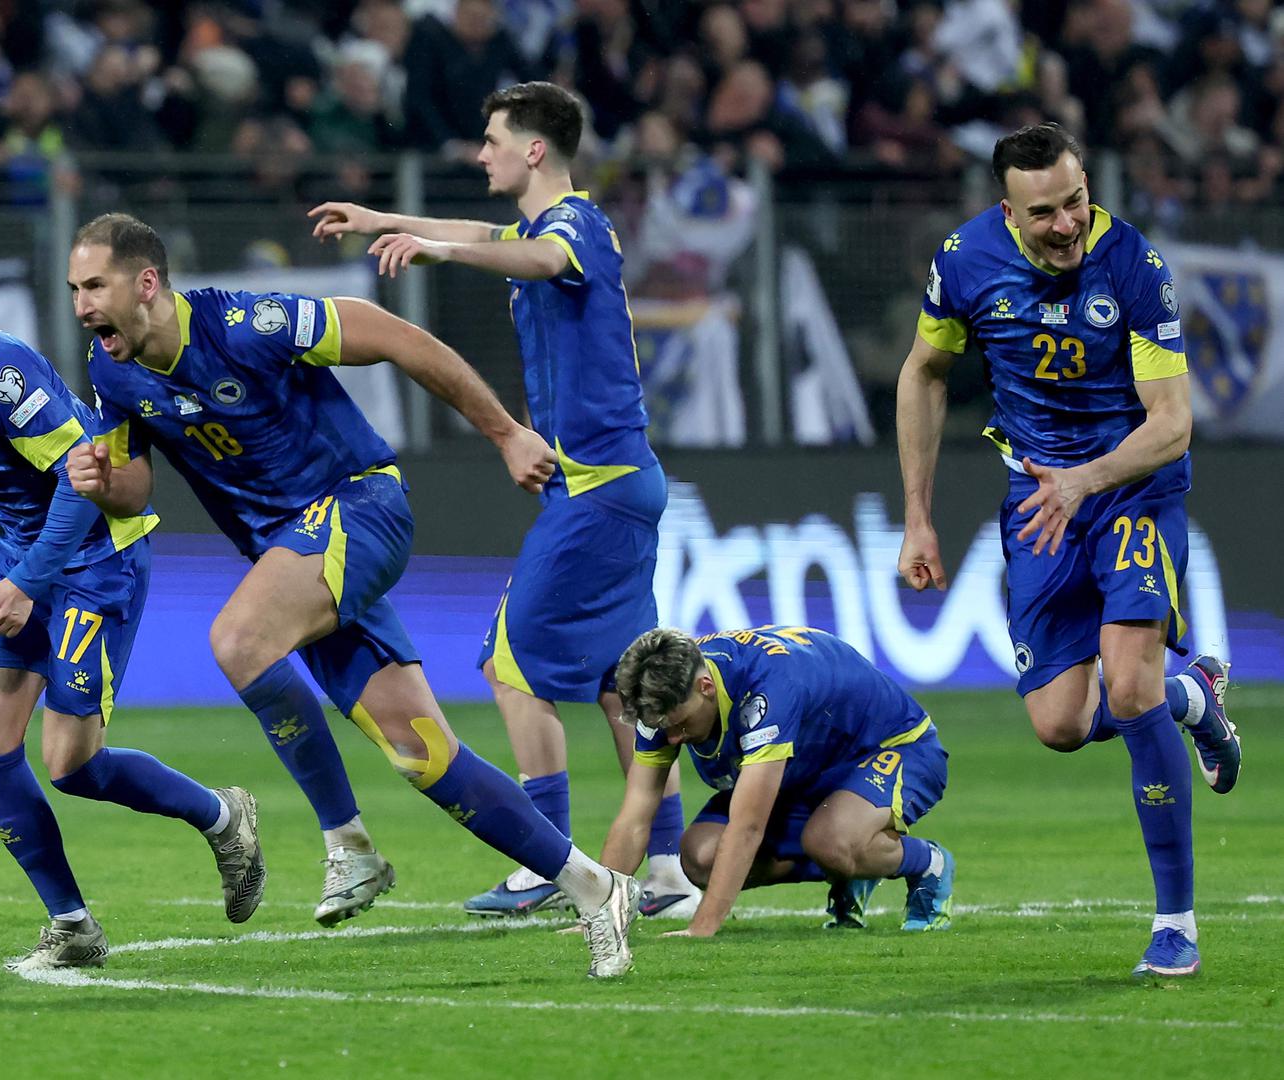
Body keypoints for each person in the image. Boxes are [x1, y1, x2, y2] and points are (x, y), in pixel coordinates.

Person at [63, 213, 640, 978]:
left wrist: (506, 433)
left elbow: (400, 338)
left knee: (239, 640)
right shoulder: (112, 373)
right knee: (423, 754)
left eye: (94, 286)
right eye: (74, 290)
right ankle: (596, 887)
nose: (81, 306)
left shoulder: (248, 325)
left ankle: (345, 841)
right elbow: (134, 490)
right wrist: (102, 483)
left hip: (358, 506)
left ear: (146, 283)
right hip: (295, 556)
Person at [308, 80, 698, 919]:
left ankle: (544, 859)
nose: (482, 154)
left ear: (534, 149)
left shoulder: (574, 225)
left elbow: (540, 259)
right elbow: (490, 234)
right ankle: (666, 868)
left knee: (506, 662)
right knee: (623, 681)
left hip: (595, 490)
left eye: (492, 140)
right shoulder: (544, 226)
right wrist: (385, 222)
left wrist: (437, 254)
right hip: (615, 483)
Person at [0, 234, 264, 973]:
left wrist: (28, 584)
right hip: (14, 559)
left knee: (72, 764)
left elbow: (83, 482)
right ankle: (72, 925)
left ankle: (223, 817)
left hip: (94, 558)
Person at [895, 122, 1241, 978]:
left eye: (1076, 201)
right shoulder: (966, 261)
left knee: (1129, 685)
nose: (1067, 223)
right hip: (1036, 500)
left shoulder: (1134, 266)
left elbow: (1173, 424)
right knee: (1057, 724)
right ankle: (1192, 696)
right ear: (1007, 212)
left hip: (1130, 489)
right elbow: (924, 373)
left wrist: (1085, 481)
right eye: (1044, 211)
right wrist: (917, 516)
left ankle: (1176, 925)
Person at [603, 627, 954, 937]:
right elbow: (634, 818)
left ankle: (926, 863)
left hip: (894, 746)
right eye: (663, 727)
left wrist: (702, 927)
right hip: (807, 769)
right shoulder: (662, 699)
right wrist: (602, 915)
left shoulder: (766, 691)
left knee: (833, 842)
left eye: (680, 724)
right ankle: (850, 863)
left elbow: (748, 827)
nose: (673, 739)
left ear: (706, 687)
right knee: (700, 856)